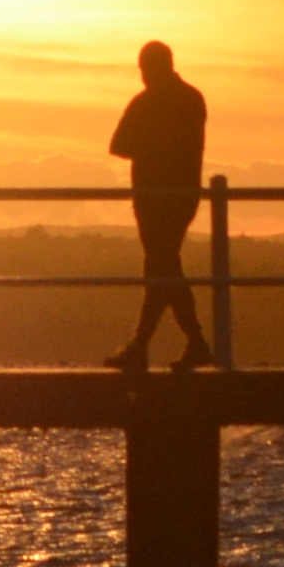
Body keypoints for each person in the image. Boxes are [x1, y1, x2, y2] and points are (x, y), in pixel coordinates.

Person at [106, 39, 216, 371]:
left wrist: (150, 144)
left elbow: (123, 144)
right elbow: (119, 144)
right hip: (171, 196)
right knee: (163, 267)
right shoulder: (190, 99)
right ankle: (184, 344)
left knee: (160, 266)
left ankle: (147, 346)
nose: (143, 75)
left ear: (156, 66)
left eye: (144, 68)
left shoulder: (157, 102)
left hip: (162, 196)